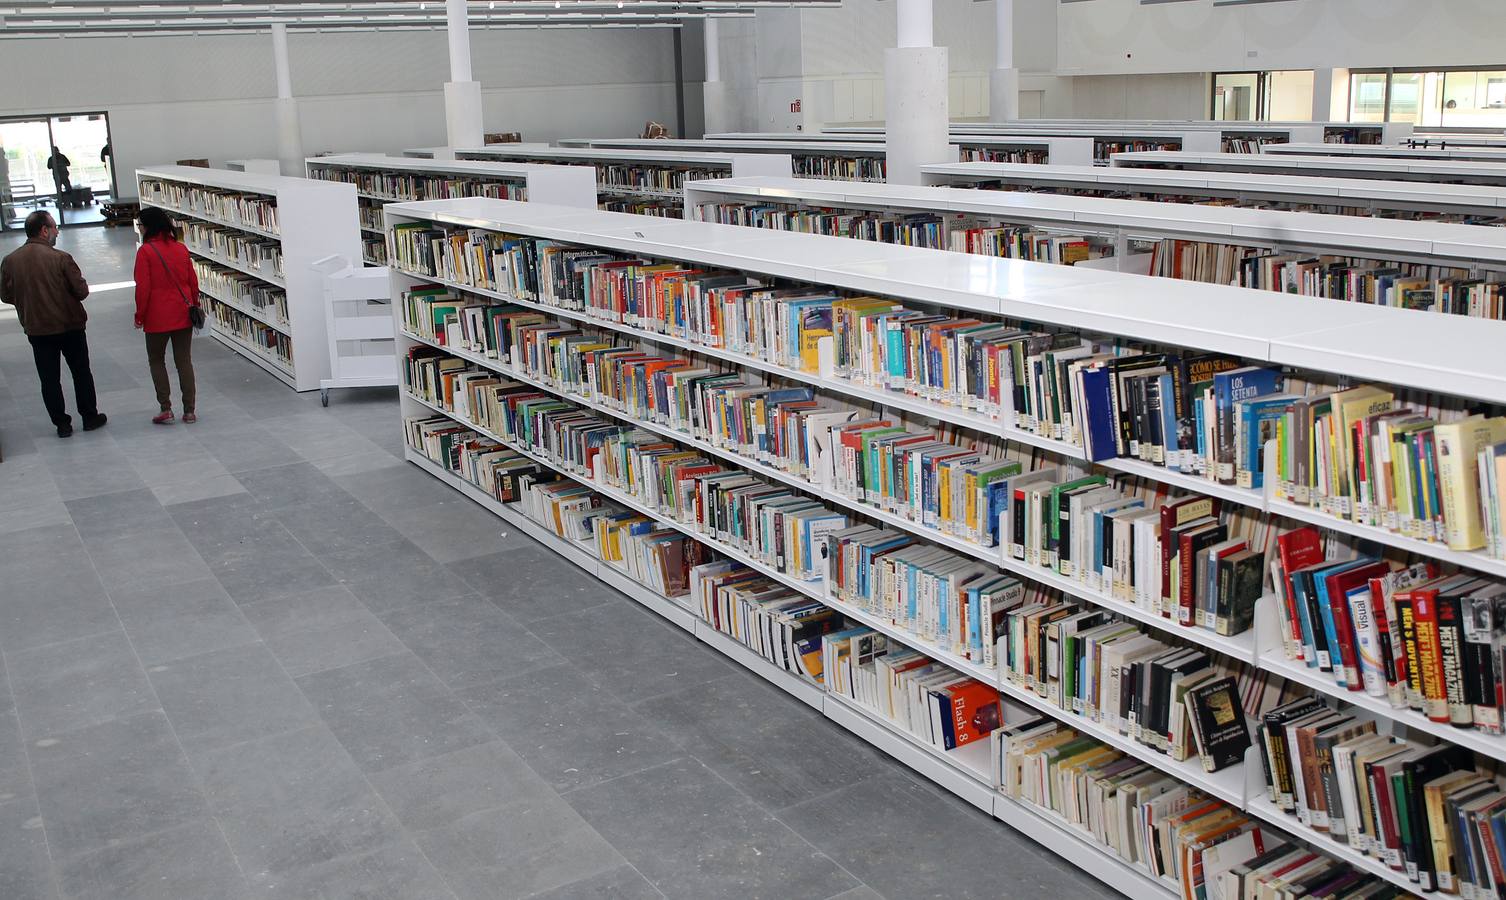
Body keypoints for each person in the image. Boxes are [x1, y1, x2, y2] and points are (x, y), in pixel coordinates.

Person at [0, 210, 105, 437]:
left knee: (49, 378)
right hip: (70, 326)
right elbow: (81, 291)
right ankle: (89, 416)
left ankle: (62, 424)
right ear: (44, 230)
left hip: (37, 329)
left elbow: (6, 295)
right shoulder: (61, 258)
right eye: (54, 227)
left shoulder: (10, 261)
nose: (57, 231)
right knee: (81, 372)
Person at [133, 206, 199, 424]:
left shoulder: (145, 252)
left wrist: (139, 315)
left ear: (148, 227)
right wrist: (194, 306)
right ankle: (189, 410)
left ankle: (166, 408)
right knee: (184, 361)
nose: (139, 229)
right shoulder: (181, 249)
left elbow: (143, 288)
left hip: (156, 315)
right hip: (182, 311)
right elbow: (193, 282)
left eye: (140, 225)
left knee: (156, 360)